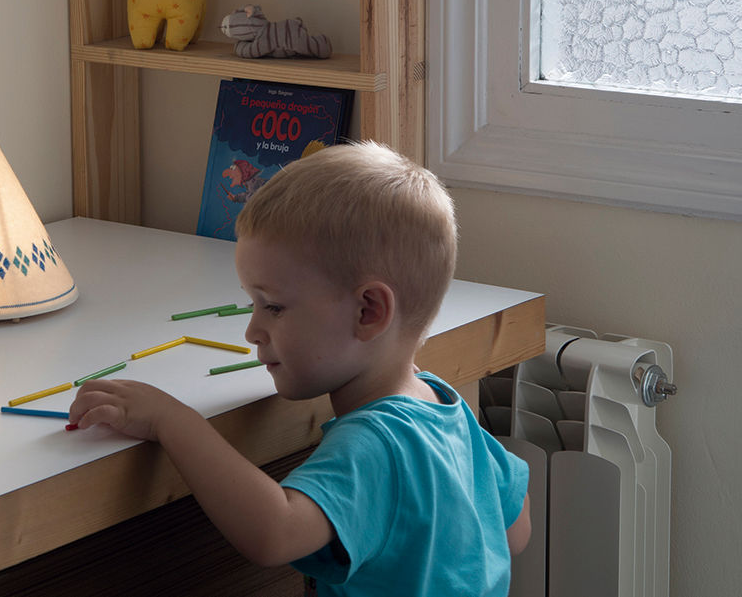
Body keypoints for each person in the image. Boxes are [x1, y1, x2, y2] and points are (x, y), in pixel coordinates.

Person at [69, 141, 531, 596]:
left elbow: (276, 532)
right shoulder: (443, 403)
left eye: (272, 307)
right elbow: (515, 529)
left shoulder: (374, 443)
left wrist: (171, 420)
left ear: (368, 311)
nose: (252, 330)